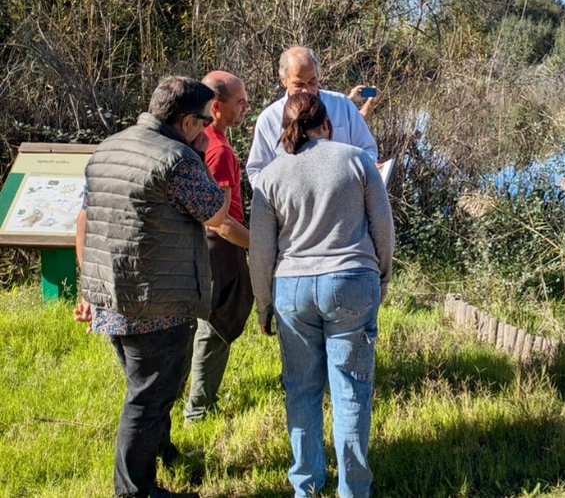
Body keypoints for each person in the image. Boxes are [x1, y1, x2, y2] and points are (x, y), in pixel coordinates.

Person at [77, 76, 230, 498]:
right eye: (203, 122)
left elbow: (86, 217)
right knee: (146, 398)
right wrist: (200, 161)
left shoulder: (108, 147)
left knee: (148, 386)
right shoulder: (178, 159)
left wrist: (84, 288)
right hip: (157, 299)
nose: (206, 130)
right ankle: (134, 488)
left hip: (110, 293)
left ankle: (162, 451)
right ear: (185, 122)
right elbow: (215, 213)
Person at [250, 93, 395, 498]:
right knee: (351, 390)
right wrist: (382, 277)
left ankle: (306, 486)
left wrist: (264, 303)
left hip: (292, 288)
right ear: (326, 125)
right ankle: (353, 490)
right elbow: (382, 228)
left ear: (285, 130)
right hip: (352, 280)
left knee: (300, 389)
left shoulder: (271, 175)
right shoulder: (356, 160)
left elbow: (261, 251)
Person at [184, 71, 253, 422]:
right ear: (216, 106)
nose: (246, 107)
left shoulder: (196, 139)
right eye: (239, 102)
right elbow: (222, 221)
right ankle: (198, 410)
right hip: (220, 250)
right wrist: (259, 247)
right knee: (216, 328)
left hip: (196, 249)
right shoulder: (219, 150)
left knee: (199, 327)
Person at [246, 46, 379, 185]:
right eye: (298, 84)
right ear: (283, 80)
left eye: (312, 82)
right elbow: (257, 171)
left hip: (344, 197)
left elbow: (367, 150)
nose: (307, 90)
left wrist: (364, 171)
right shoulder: (269, 119)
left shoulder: (342, 105)